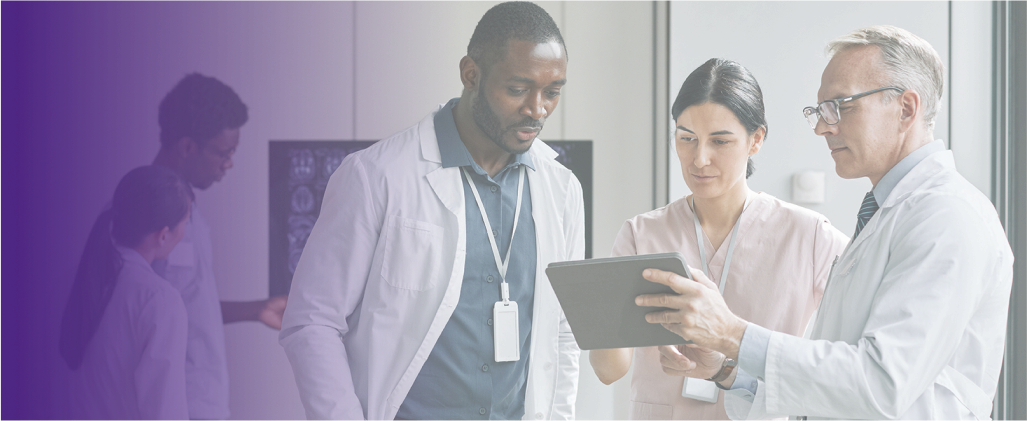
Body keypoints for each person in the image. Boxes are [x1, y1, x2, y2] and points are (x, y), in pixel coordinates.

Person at [636, 26, 1013, 421]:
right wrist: (726, 370)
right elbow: (834, 387)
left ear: (906, 108)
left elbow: (880, 385)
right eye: (819, 110)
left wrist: (733, 334)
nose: (822, 127)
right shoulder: (886, 215)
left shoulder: (946, 216)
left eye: (841, 105)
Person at [279, 2, 584, 421]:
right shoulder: (376, 175)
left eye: (552, 92)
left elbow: (563, 333)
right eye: (517, 89)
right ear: (471, 74)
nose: (537, 109)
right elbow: (312, 321)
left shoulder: (562, 189)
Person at [588, 58, 849, 421]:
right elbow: (608, 371)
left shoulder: (810, 235)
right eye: (686, 139)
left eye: (720, 141)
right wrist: (605, 316)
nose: (699, 158)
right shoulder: (641, 233)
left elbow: (849, 361)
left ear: (755, 140)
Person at [151, 73, 288, 421]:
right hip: (170, 404)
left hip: (200, 401)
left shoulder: (189, 211)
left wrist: (256, 310)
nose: (229, 164)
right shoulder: (142, 213)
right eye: (224, 153)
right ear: (187, 147)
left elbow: (186, 304)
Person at [60, 165, 193, 421]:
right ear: (163, 235)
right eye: (185, 223)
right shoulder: (159, 300)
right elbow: (164, 410)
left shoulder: (64, 284)